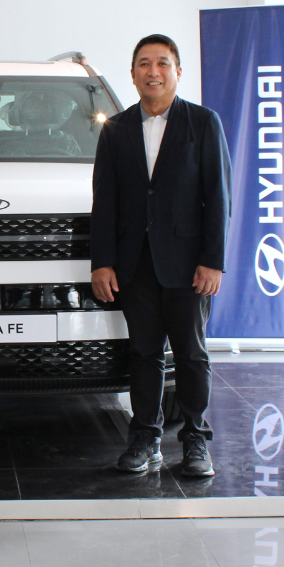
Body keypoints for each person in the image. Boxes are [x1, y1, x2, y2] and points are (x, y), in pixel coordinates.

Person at [90, 34, 231, 477]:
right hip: (134, 265)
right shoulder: (115, 129)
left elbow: (219, 198)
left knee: (191, 354)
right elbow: (105, 201)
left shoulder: (204, 124)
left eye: (163, 63)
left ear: (178, 72)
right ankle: (146, 438)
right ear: (132, 74)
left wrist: (213, 260)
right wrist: (102, 261)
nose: (154, 72)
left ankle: (194, 441)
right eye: (144, 64)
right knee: (144, 353)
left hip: (190, 266)